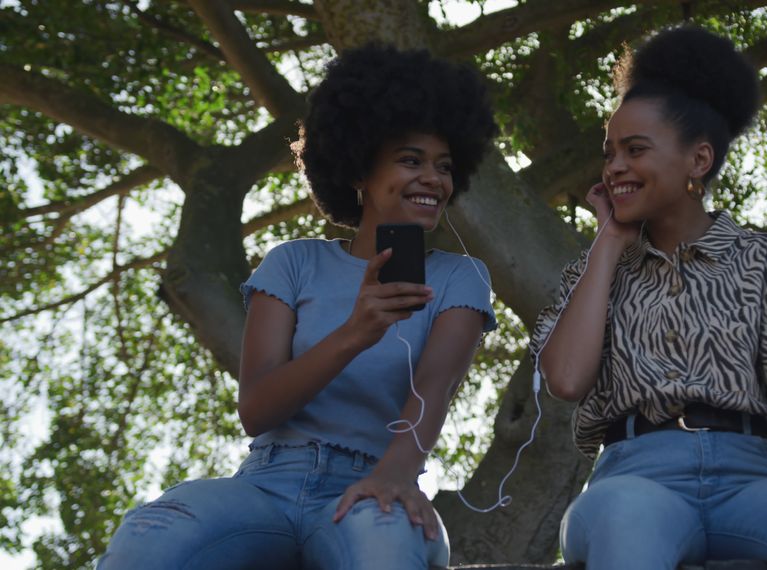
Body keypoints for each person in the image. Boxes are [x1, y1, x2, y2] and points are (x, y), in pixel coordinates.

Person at [98, 43, 498, 570]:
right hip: (266, 484)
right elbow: (256, 409)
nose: (434, 178)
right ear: (358, 172)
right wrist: (354, 332)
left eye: (444, 166)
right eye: (410, 160)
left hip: (376, 479)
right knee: (151, 533)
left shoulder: (459, 277)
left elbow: (435, 391)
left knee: (384, 544)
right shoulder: (293, 263)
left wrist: (396, 476)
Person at [531, 26, 767, 570]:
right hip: (634, 477)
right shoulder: (590, 274)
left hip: (756, 477)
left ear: (698, 161)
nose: (613, 168)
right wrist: (607, 245)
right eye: (609, 153)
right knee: (627, 522)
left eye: (635, 150)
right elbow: (565, 379)